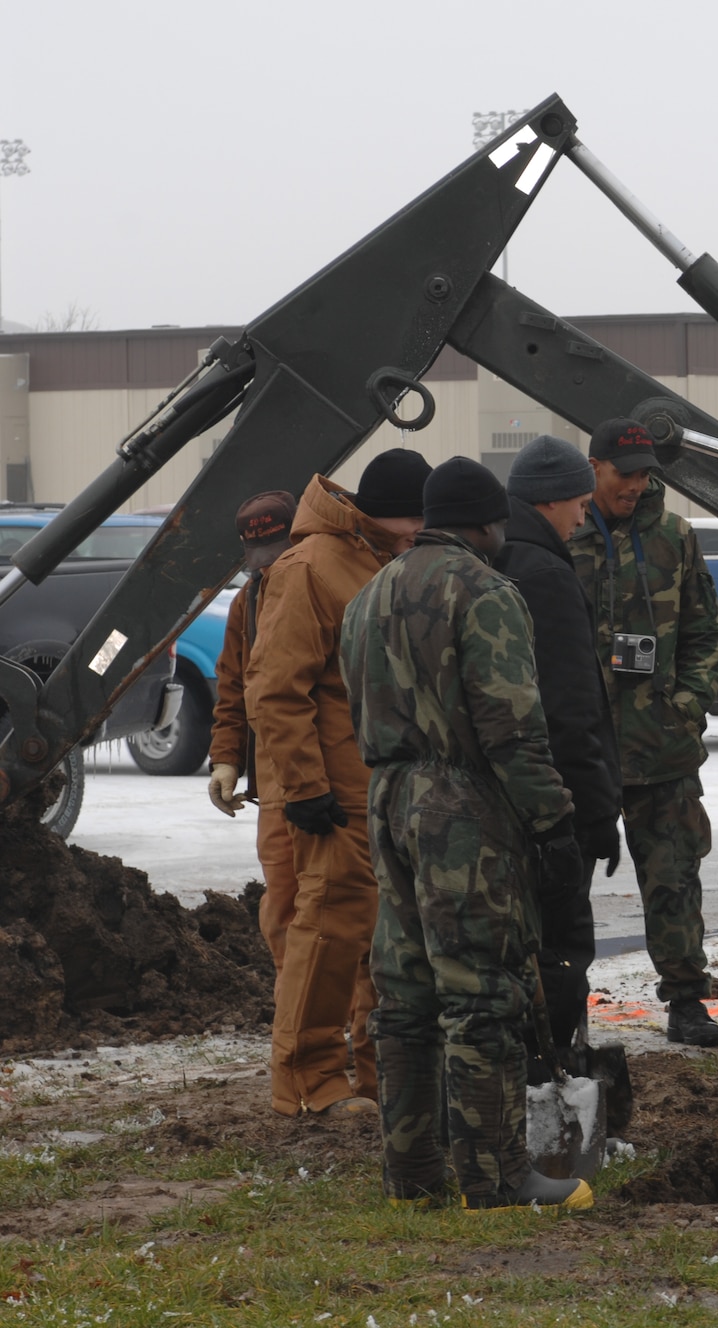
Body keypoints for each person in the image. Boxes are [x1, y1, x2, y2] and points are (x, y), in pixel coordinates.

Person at [342, 457, 589, 1211]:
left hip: (387, 799)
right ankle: (497, 1177)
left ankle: (412, 1176)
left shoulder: (368, 594)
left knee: (407, 995)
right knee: (481, 992)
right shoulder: (487, 592)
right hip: (462, 808)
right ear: (487, 524)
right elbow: (512, 726)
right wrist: (552, 823)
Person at [246, 447, 432, 1117]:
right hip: (337, 798)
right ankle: (308, 1084)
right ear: (390, 516)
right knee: (325, 939)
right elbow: (273, 690)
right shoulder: (310, 568)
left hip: (385, 791)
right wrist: (304, 789)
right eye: (416, 521)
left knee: (384, 947)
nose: (421, 534)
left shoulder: (380, 559)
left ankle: (387, 1078)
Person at [568, 418, 718, 1047]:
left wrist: (688, 704)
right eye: (624, 473)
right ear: (594, 467)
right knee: (566, 880)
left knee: (674, 878)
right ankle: (565, 1006)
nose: (635, 486)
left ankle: (687, 999)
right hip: (582, 747)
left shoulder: (674, 537)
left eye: (645, 475)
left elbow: (706, 633)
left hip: (662, 746)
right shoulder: (564, 536)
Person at [493, 436, 622, 1063]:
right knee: (561, 940)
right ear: (551, 501)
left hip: (494, 799)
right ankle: (550, 1069)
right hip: (551, 801)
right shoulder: (544, 573)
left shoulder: (492, 560)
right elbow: (571, 713)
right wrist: (596, 814)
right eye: (578, 503)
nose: (582, 517)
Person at [206, 488, 300, 971]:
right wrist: (226, 758)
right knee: (282, 909)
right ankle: (301, 1024)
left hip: (328, 783)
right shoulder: (250, 598)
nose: (268, 567)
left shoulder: (318, 585)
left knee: (342, 912)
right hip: (277, 787)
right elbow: (233, 683)